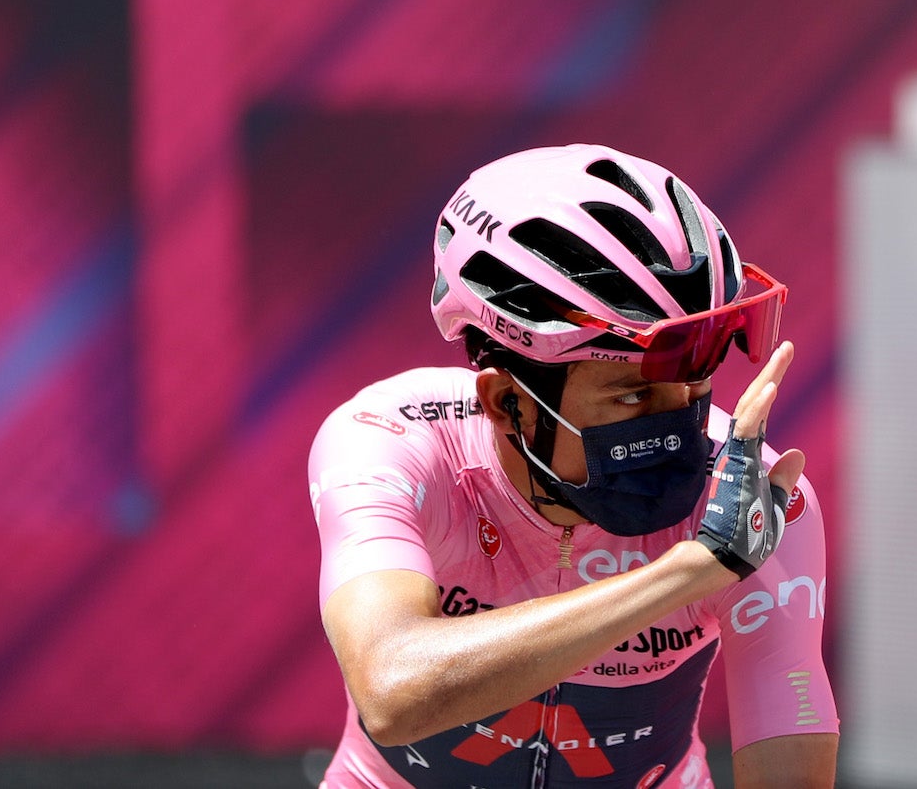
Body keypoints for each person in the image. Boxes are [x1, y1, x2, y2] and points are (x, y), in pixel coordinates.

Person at [308, 144, 837, 788]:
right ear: (508, 402)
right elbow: (392, 691)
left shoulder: (750, 497)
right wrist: (690, 572)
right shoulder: (396, 440)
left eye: (695, 381)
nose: (677, 429)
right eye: (633, 396)